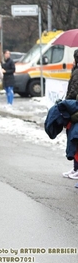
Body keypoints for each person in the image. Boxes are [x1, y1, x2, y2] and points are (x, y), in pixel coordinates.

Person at [62, 50, 78, 182]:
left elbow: (74, 90)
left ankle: (77, 169)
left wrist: (66, 102)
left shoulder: (77, 71)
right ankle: (75, 168)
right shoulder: (75, 70)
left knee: (74, 138)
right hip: (73, 106)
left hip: (74, 107)